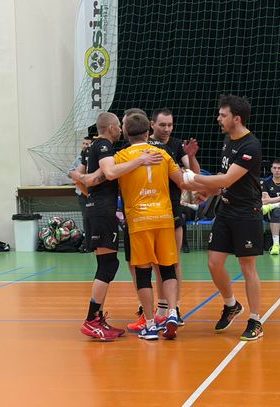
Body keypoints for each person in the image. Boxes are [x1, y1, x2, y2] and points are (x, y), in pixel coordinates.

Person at [70, 112, 163, 341]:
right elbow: (110, 173)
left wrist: (89, 185)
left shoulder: (94, 148)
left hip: (97, 209)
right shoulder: (103, 145)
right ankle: (92, 320)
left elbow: (83, 178)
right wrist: (140, 160)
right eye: (119, 126)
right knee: (108, 265)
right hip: (102, 211)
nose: (121, 129)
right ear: (111, 128)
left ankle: (97, 318)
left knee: (108, 264)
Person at [181, 94, 265, 341]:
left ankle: (256, 320)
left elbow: (228, 179)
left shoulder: (250, 146)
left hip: (246, 212)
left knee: (247, 267)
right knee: (214, 262)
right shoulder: (228, 140)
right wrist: (209, 191)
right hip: (226, 210)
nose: (218, 118)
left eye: (223, 115)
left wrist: (192, 178)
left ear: (236, 118)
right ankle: (231, 304)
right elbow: (224, 179)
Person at [102, 112, 189, 340]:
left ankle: (150, 324)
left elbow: (106, 175)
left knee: (143, 273)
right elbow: (182, 181)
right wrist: (208, 189)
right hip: (164, 218)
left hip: (140, 221)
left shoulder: (120, 156)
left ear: (126, 132)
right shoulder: (163, 154)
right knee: (168, 268)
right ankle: (172, 312)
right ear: (148, 132)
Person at [68, 134, 94, 253]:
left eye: (87, 144)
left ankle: (95, 242)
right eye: (83, 143)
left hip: (93, 193)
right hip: (81, 193)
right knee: (86, 219)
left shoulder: (94, 158)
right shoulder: (78, 159)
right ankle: (87, 244)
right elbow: (69, 172)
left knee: (94, 218)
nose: (84, 146)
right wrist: (78, 176)